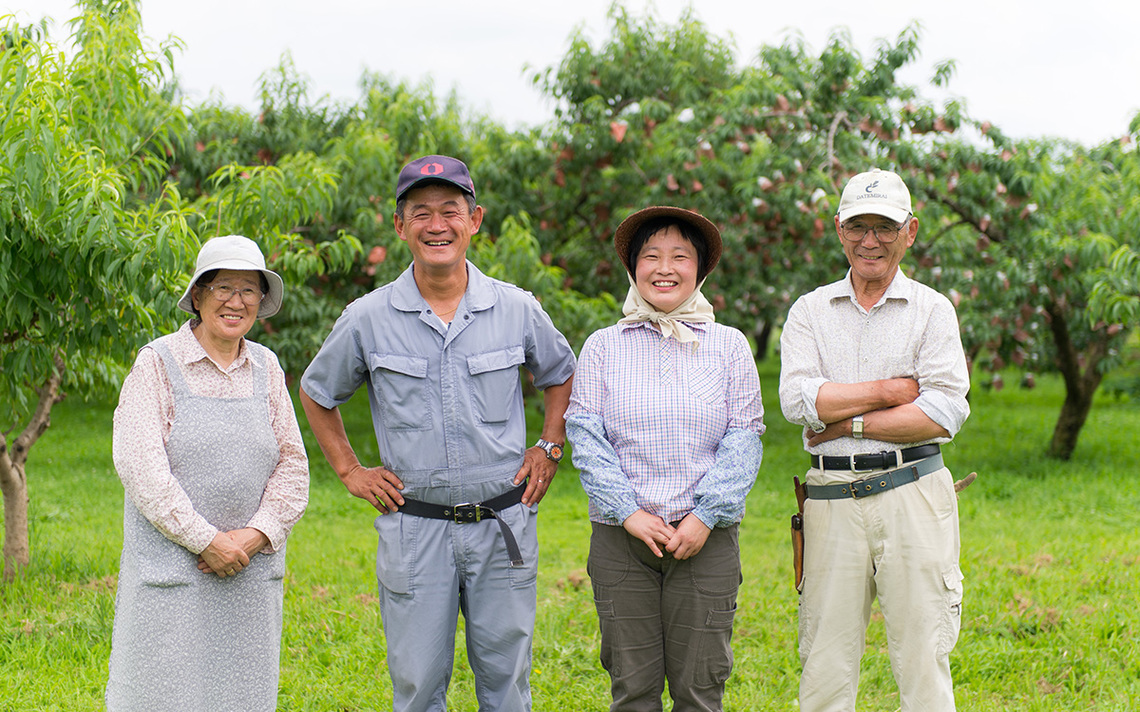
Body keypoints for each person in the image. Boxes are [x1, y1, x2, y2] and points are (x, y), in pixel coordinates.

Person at [299, 154, 576, 712]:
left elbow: (560, 373)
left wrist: (549, 445)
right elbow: (316, 392)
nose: (437, 225)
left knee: (507, 683)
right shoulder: (368, 317)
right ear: (400, 226)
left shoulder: (516, 308)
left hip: (503, 524)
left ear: (475, 220)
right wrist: (350, 470)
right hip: (416, 529)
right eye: (420, 213)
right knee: (418, 685)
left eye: (450, 210)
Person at [778, 168, 971, 712]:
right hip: (831, 498)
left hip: (914, 490)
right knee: (825, 663)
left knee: (924, 657)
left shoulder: (932, 309)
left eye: (884, 227)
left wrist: (846, 424)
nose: (871, 241)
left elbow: (944, 411)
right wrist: (889, 391)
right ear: (838, 229)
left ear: (910, 231)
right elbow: (797, 402)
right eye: (858, 226)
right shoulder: (810, 311)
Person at [565, 206, 765, 712]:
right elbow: (585, 435)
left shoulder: (729, 346)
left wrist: (705, 516)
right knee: (632, 689)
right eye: (651, 256)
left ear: (700, 269)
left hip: (705, 538)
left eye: (680, 256)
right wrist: (628, 513)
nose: (665, 268)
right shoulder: (603, 346)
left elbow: (744, 435)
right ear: (633, 267)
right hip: (622, 538)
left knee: (700, 689)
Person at [106, 235, 309, 711]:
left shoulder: (266, 366)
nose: (236, 302)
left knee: (241, 696)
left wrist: (257, 535)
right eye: (223, 288)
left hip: (249, 574)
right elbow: (141, 469)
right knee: (161, 696)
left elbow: (294, 466)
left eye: (249, 290)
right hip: (173, 574)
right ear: (197, 295)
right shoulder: (156, 364)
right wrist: (207, 541)